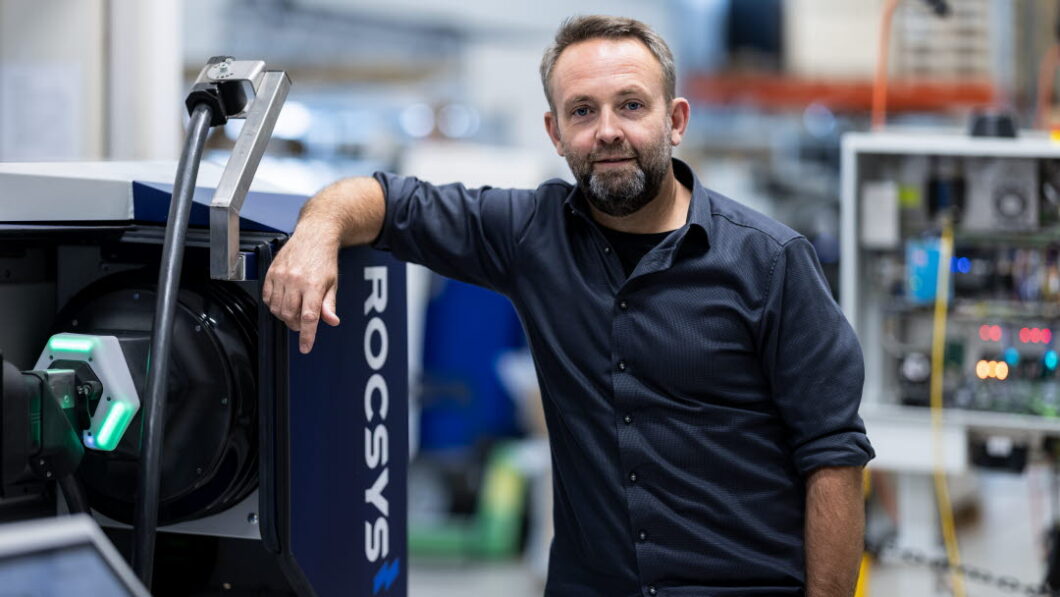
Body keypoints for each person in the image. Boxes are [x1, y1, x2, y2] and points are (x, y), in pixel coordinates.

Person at [263, 15, 874, 597]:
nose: (608, 129)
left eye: (631, 105)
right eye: (583, 111)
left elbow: (833, 457)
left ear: (675, 120)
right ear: (556, 133)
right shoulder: (532, 234)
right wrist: (318, 229)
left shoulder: (770, 262)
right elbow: (386, 201)